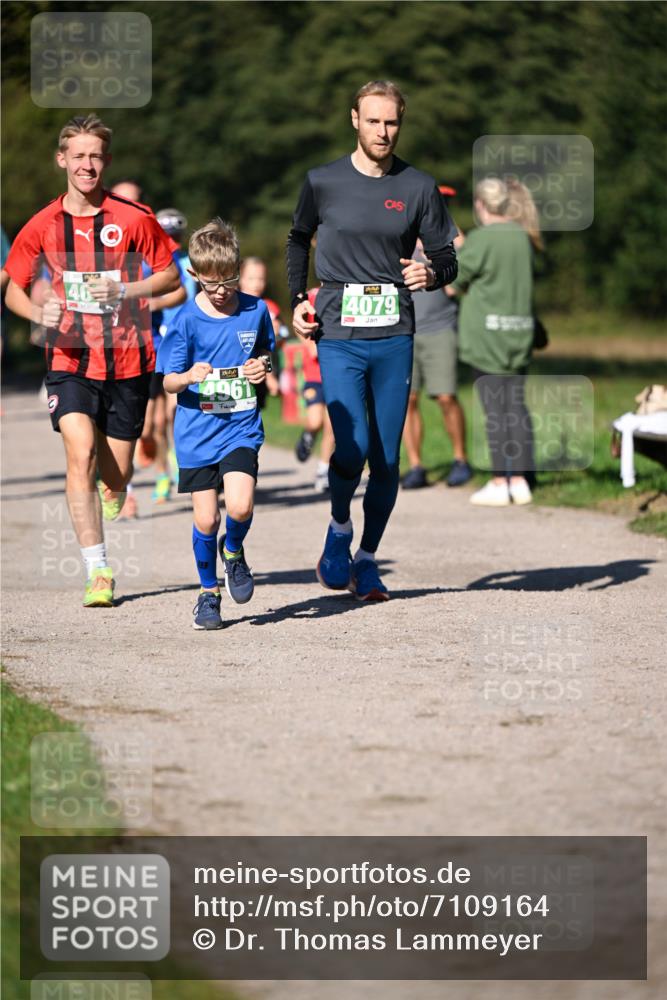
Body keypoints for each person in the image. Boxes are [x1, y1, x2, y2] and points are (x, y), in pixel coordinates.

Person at [287, 80, 457, 600]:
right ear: (355, 121)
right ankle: (339, 528)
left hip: (394, 333)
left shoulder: (418, 186)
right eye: (374, 121)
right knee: (352, 443)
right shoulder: (323, 181)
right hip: (338, 331)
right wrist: (297, 299)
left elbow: (448, 256)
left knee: (386, 459)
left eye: (392, 123)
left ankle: (366, 560)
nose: (383, 131)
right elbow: (298, 238)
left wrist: (431, 274)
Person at [3, 115, 181, 607]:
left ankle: (117, 481)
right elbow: (13, 287)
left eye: (95, 156)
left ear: (106, 161)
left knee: (115, 474)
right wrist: (40, 310)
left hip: (127, 359)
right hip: (69, 356)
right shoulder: (41, 225)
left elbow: (171, 279)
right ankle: (97, 569)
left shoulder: (133, 217)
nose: (87, 165)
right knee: (79, 452)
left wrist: (125, 288)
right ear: (61, 159)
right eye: (78, 156)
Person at [158, 218, 275, 630]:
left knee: (240, 506)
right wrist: (189, 377)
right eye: (212, 284)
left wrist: (261, 366)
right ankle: (208, 594)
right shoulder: (185, 320)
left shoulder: (255, 309)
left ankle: (234, 552)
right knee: (207, 519)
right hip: (196, 431)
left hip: (240, 426)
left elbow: (265, 351)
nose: (223, 291)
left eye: (229, 280)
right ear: (194, 276)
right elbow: (169, 379)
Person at [451, 177, 541, 506]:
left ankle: (498, 481)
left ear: (480, 205)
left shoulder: (482, 238)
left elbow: (453, 282)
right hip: (518, 333)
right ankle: (519, 480)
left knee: (494, 410)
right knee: (515, 407)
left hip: (487, 336)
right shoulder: (522, 236)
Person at [401, 185, 472, 489]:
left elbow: (466, 257)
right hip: (404, 329)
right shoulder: (400, 237)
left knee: (446, 396)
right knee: (408, 400)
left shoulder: (451, 238)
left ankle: (460, 460)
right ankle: (416, 465)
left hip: (440, 327)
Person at [294, 286, 335, 492]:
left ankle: (323, 471)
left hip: (336, 374)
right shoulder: (310, 295)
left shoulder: (346, 292)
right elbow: (297, 324)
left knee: (332, 427)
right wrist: (309, 343)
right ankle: (308, 435)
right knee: (315, 420)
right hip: (314, 374)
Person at [238, 255, 283, 403]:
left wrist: (276, 335)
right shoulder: (233, 308)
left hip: (260, 373)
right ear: (239, 279)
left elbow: (272, 344)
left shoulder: (270, 308)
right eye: (251, 279)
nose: (257, 284)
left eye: (261, 279)